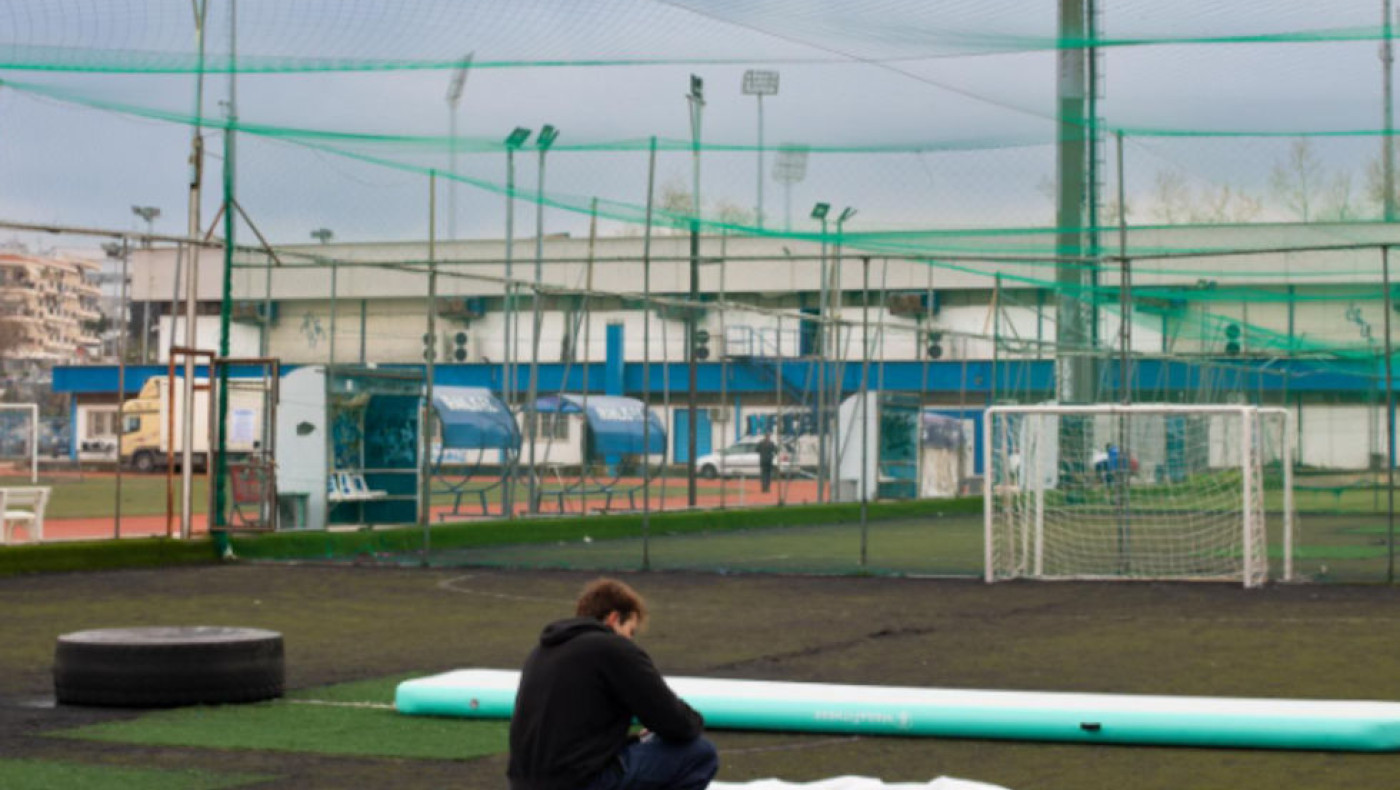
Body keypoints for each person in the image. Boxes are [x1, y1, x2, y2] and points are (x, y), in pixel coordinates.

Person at [508, 578, 719, 790]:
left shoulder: (542, 651)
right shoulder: (612, 648)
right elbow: (675, 720)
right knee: (699, 753)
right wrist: (694, 722)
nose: (630, 640)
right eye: (630, 631)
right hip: (578, 782)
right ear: (614, 618)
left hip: (524, 783)